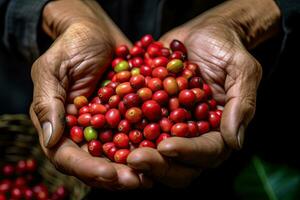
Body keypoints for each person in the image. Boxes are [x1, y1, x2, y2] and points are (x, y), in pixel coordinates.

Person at [0, 0, 299, 195]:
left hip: (260, 98)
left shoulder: (161, 89)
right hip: (43, 79)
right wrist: (63, 13)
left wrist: (246, 20)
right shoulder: (118, 94)